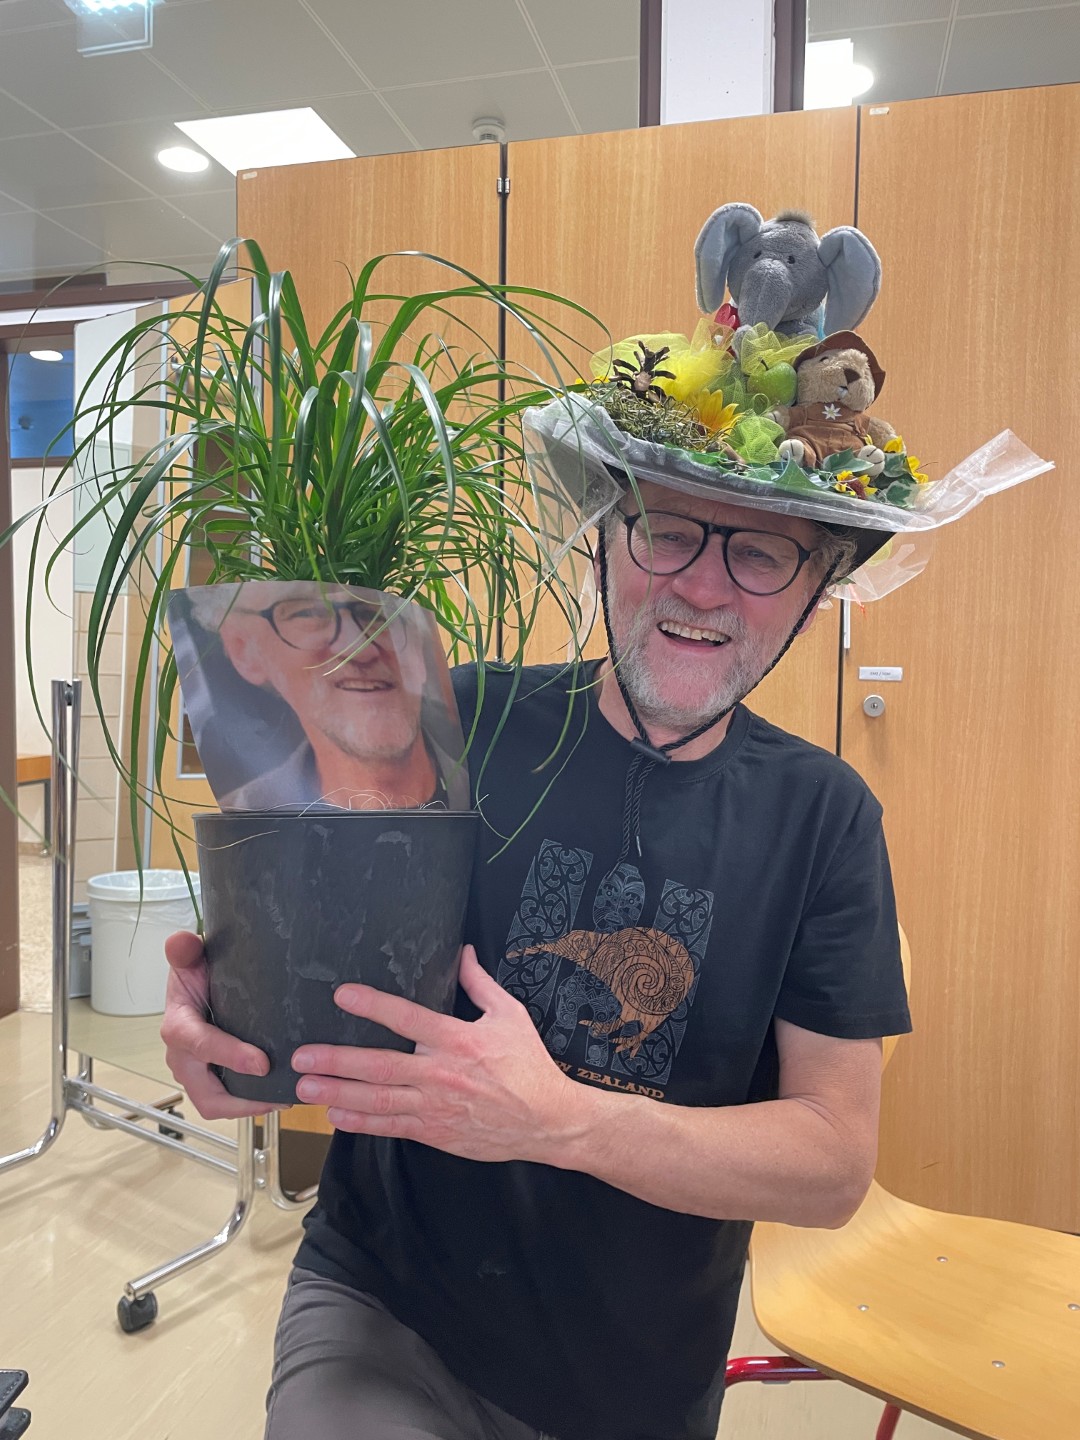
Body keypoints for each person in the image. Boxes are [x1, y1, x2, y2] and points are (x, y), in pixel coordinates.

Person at [162, 273, 1048, 1438]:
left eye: (762, 553)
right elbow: (311, 967)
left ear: (818, 586)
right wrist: (228, 1020)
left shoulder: (824, 820)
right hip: (385, 1311)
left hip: (629, 1383)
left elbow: (834, 1164)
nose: (701, 585)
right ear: (605, 536)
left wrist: (561, 1120)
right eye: (667, 530)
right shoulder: (460, 719)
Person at [184, 581, 468, 812]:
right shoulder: (248, 824)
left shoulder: (488, 784)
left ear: (418, 644)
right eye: (308, 614)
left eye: (378, 614)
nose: (359, 648)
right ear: (243, 650)